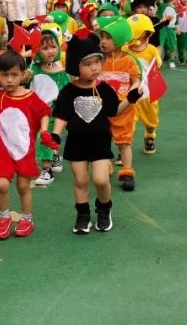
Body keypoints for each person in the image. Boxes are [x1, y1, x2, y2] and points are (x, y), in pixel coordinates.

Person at [51, 39, 141, 234]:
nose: (94, 68)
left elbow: (114, 110)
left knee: (101, 180)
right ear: (75, 66)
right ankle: (83, 215)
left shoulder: (105, 89)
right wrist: (56, 134)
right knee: (80, 181)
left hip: (100, 142)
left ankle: (104, 209)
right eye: (87, 64)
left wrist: (130, 99)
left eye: (97, 62)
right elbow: (61, 116)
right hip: (76, 143)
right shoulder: (68, 91)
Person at [0, 50, 56, 237]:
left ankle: (26, 218)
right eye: (4, 75)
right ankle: (4, 217)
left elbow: (44, 112)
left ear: (23, 75)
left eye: (14, 75)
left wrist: (44, 131)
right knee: (1, 185)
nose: (9, 80)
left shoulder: (30, 96)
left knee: (23, 186)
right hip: (0, 151)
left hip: (23, 149)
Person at [96, 18, 141, 191]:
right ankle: (106, 164)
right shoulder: (99, 60)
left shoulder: (129, 61)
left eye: (108, 38)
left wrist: (134, 91)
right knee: (102, 137)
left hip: (123, 108)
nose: (103, 41)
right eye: (102, 37)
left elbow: (136, 80)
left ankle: (127, 172)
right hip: (101, 107)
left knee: (124, 141)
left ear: (120, 40)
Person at [29, 25, 72, 187]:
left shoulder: (62, 72)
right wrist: (25, 77)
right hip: (35, 112)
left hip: (54, 113)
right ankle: (54, 155)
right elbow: (24, 84)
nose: (50, 51)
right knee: (41, 138)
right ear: (38, 50)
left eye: (53, 47)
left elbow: (66, 94)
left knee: (46, 137)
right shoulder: (33, 68)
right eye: (45, 48)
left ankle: (46, 170)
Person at [125, 15, 162, 155]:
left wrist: (156, 62)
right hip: (130, 92)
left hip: (147, 93)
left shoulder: (151, 49)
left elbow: (158, 63)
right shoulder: (124, 49)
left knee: (151, 121)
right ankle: (124, 147)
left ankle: (150, 136)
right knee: (128, 122)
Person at [155, 0, 179, 66]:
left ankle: (172, 60)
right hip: (162, 28)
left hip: (171, 28)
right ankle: (158, 62)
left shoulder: (175, 7)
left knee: (173, 45)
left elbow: (176, 18)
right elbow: (157, 0)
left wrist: (177, 26)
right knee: (160, 44)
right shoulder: (161, 5)